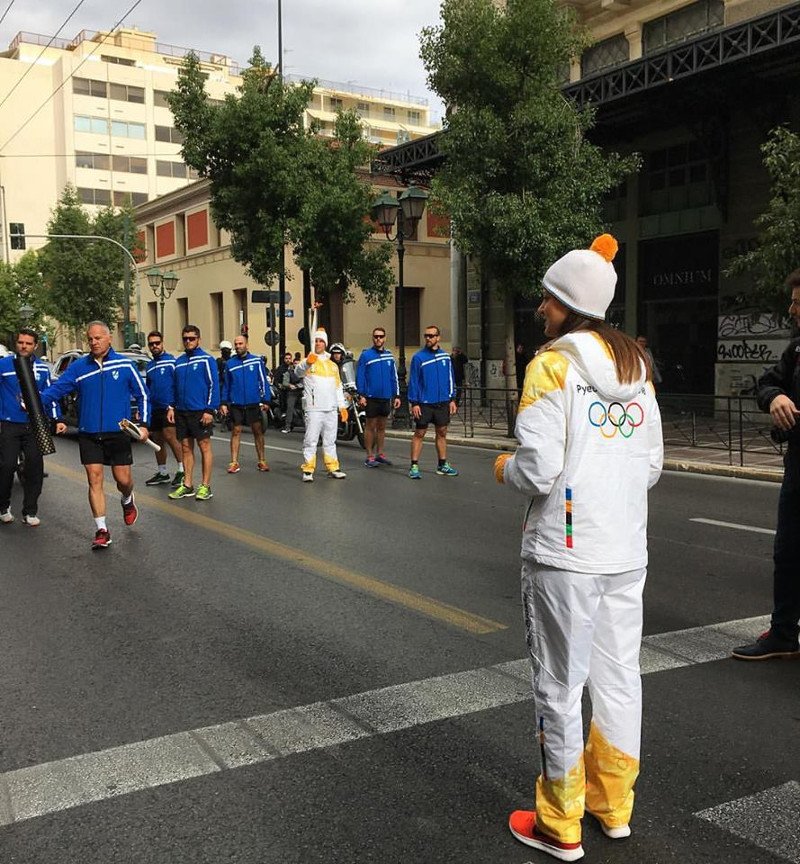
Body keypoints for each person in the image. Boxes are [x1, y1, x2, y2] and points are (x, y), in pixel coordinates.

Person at [494, 235, 662, 861]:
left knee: (559, 689)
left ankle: (559, 823)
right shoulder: (636, 366)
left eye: (547, 297)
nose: (541, 307)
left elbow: (538, 470)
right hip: (625, 549)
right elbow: (652, 465)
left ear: (567, 303)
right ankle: (612, 806)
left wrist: (505, 466)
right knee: (620, 679)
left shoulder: (552, 366)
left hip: (564, 555)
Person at [732, 269, 800, 660]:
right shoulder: (796, 350)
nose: (791, 309)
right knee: (789, 552)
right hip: (799, 468)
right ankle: (783, 634)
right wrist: (774, 397)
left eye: (797, 302)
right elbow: (766, 382)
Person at [39, 321, 151, 550]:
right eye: (90, 338)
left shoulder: (125, 365)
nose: (94, 342)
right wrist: (32, 400)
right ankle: (102, 529)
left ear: (109, 338)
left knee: (123, 480)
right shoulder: (79, 368)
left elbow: (143, 395)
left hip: (117, 432)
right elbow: (56, 390)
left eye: (98, 338)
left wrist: (144, 424)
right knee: (95, 479)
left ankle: (127, 499)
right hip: (89, 433)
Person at [0, 328, 66, 526]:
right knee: (7, 465)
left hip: (35, 424)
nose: (24, 346)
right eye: (21, 342)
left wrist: (58, 419)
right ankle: (3, 506)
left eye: (28, 343)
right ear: (16, 343)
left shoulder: (43, 369)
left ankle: (30, 511)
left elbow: (50, 394)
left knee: (35, 467)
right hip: (9, 423)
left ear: (35, 346)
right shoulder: (3, 365)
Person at [168, 324, 219, 501]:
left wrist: (209, 409)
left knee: (204, 447)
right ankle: (187, 485)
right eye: (185, 339)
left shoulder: (207, 359)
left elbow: (214, 385)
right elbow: (174, 387)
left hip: (200, 411)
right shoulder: (179, 361)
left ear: (198, 339)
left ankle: (205, 486)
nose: (188, 341)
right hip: (182, 411)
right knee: (186, 448)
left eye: (192, 338)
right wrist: (172, 406)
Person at [294, 327, 347, 481]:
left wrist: (342, 406)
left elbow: (338, 387)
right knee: (311, 440)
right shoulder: (308, 361)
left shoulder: (333, 366)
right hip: (314, 408)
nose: (318, 343)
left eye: (321, 341)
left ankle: (333, 467)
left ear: (325, 343)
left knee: (330, 440)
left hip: (330, 408)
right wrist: (307, 364)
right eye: (315, 340)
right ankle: (308, 470)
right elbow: (297, 372)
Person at [407, 325, 458, 479]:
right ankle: (414, 466)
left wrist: (452, 399)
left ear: (438, 337)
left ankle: (442, 464)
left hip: (442, 402)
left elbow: (451, 379)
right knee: (420, 433)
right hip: (424, 403)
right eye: (426, 336)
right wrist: (414, 402)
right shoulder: (418, 358)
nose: (428, 338)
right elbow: (414, 381)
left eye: (431, 336)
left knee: (442, 432)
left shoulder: (445, 357)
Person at [220, 334, 270, 473]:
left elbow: (263, 381)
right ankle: (234, 462)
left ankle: (262, 460)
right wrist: (223, 402)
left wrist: (266, 399)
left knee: (257, 431)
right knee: (236, 431)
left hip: (253, 402)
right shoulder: (229, 364)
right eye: (236, 344)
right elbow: (226, 385)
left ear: (246, 345)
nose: (238, 346)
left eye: (240, 344)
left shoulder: (256, 361)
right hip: (236, 403)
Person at [144, 330, 184, 487]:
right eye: (151, 344)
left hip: (169, 408)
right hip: (155, 408)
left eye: (157, 343)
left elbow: (177, 385)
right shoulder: (149, 365)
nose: (154, 346)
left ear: (162, 344)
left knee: (171, 437)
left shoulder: (171, 362)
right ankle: (162, 472)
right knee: (157, 440)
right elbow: (148, 388)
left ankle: (182, 470)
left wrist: (173, 405)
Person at [356, 327, 400, 467]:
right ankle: (369, 456)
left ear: (385, 338)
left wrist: (396, 395)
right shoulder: (366, 355)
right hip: (371, 397)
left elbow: (394, 377)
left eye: (381, 336)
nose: (378, 339)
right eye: (376, 336)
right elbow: (360, 376)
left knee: (382, 426)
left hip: (385, 397)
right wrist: (361, 394)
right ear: (372, 338)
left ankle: (380, 454)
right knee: (370, 426)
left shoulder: (389, 355)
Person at [281, 355, 303, 434]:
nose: (296, 365)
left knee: (308, 409)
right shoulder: (289, 372)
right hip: (292, 392)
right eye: (295, 363)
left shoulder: (304, 372)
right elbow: (285, 382)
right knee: (290, 408)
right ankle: (287, 427)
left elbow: (306, 382)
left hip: (302, 392)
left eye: (298, 363)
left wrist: (299, 386)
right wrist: (290, 385)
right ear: (293, 364)